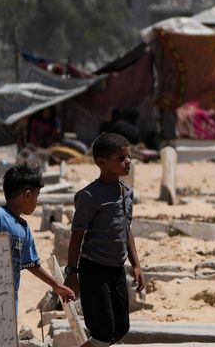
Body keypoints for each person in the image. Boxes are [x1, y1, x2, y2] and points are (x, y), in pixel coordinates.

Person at [64, 133, 145, 347]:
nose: (127, 162)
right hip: (94, 269)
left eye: (128, 157)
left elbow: (126, 229)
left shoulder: (126, 193)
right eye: (120, 159)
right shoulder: (89, 196)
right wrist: (72, 273)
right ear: (101, 162)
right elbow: (77, 235)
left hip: (117, 269)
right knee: (102, 333)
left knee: (121, 329)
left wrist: (136, 264)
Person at [0, 164, 75, 317]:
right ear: (27, 195)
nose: (37, 201)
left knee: (5, 340)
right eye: (37, 196)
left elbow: (33, 265)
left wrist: (57, 286)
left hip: (9, 299)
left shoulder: (24, 228)